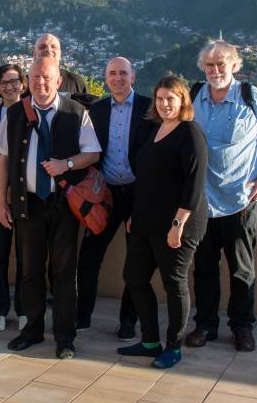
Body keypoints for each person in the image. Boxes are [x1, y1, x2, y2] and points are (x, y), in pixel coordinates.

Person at [0, 57, 101, 360]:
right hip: (28, 204)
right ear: (29, 80)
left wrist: (65, 164)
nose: (40, 82)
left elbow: (92, 154)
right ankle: (33, 330)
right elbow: (2, 160)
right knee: (30, 271)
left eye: (46, 77)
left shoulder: (77, 113)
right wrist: (1, 202)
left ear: (58, 82)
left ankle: (65, 337)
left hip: (65, 206)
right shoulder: (14, 114)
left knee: (64, 273)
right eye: (35, 77)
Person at [186, 41, 257, 353]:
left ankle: (242, 326)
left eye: (221, 64)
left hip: (240, 200)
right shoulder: (192, 96)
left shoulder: (251, 97)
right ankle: (205, 325)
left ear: (234, 65)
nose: (215, 70)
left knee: (241, 269)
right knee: (203, 268)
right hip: (202, 201)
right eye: (209, 65)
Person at [118, 76, 207, 369]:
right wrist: (134, 214)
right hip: (145, 220)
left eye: (171, 98)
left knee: (174, 284)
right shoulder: (154, 129)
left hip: (178, 224)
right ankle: (150, 341)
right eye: (160, 99)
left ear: (182, 101)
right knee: (134, 277)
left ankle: (173, 346)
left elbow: (194, 185)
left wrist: (178, 224)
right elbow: (145, 179)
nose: (165, 104)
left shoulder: (190, 133)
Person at [76, 57, 153, 339]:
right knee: (88, 259)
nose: (118, 78)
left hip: (138, 194)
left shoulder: (149, 109)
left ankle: (128, 321)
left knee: (136, 262)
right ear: (106, 79)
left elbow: (152, 160)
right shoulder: (96, 111)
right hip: (105, 195)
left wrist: (143, 203)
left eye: (123, 73)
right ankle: (82, 316)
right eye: (112, 74)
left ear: (132, 77)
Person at [0, 63, 28, 332]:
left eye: (14, 81)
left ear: (23, 84)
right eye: (4, 83)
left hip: (25, 196)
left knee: (26, 255)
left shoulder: (32, 112)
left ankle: (24, 309)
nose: (9, 86)